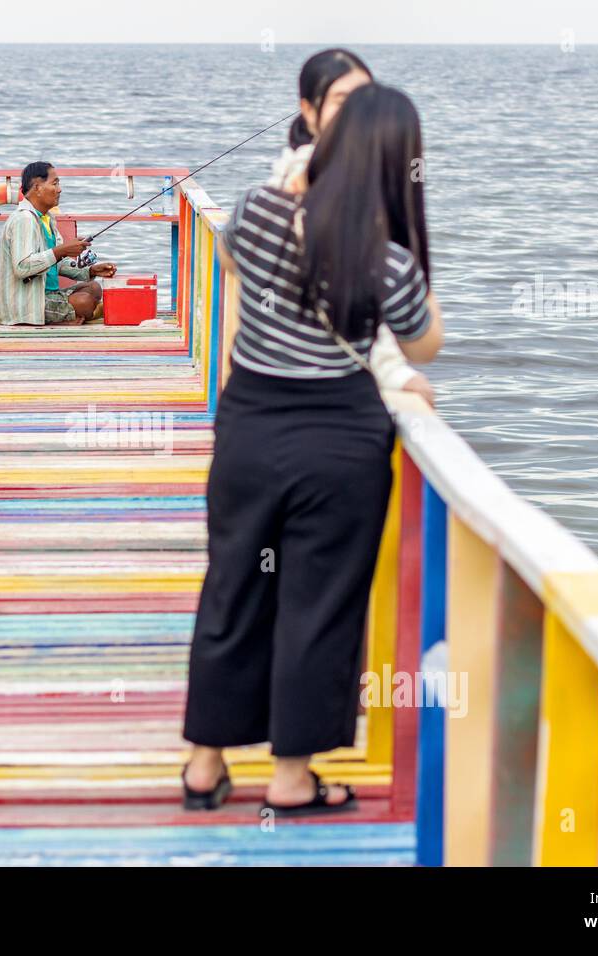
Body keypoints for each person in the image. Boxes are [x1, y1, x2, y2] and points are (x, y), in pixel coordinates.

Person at [180, 83, 443, 817]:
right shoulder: (383, 255)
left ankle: (205, 767)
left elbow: (233, 264)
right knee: (318, 607)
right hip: (339, 441)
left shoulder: (259, 211)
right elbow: (424, 338)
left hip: (251, 427)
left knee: (232, 587)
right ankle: (292, 780)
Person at [269, 48, 437, 408]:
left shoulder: (288, 177)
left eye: (362, 99)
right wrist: (398, 375)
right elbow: (345, 298)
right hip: (325, 401)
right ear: (309, 110)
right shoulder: (309, 182)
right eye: (342, 100)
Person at [0, 162, 117, 326]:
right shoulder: (24, 219)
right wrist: (61, 250)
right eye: (55, 184)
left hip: (48, 295)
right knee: (85, 302)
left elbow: (57, 264)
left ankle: (77, 315)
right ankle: (70, 317)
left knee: (94, 287)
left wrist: (90, 270)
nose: (59, 189)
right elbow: (22, 267)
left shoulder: (47, 219)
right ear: (37, 188)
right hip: (28, 305)